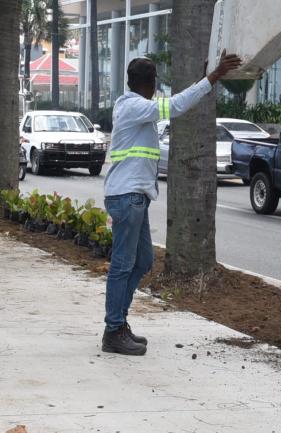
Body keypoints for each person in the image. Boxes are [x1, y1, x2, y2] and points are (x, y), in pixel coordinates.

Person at [100, 51, 242, 355]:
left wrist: (204, 79)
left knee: (143, 262)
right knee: (123, 265)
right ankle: (113, 330)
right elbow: (176, 105)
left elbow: (175, 103)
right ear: (150, 83)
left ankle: (118, 324)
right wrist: (211, 78)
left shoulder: (136, 107)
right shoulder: (134, 106)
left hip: (135, 196)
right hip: (127, 196)